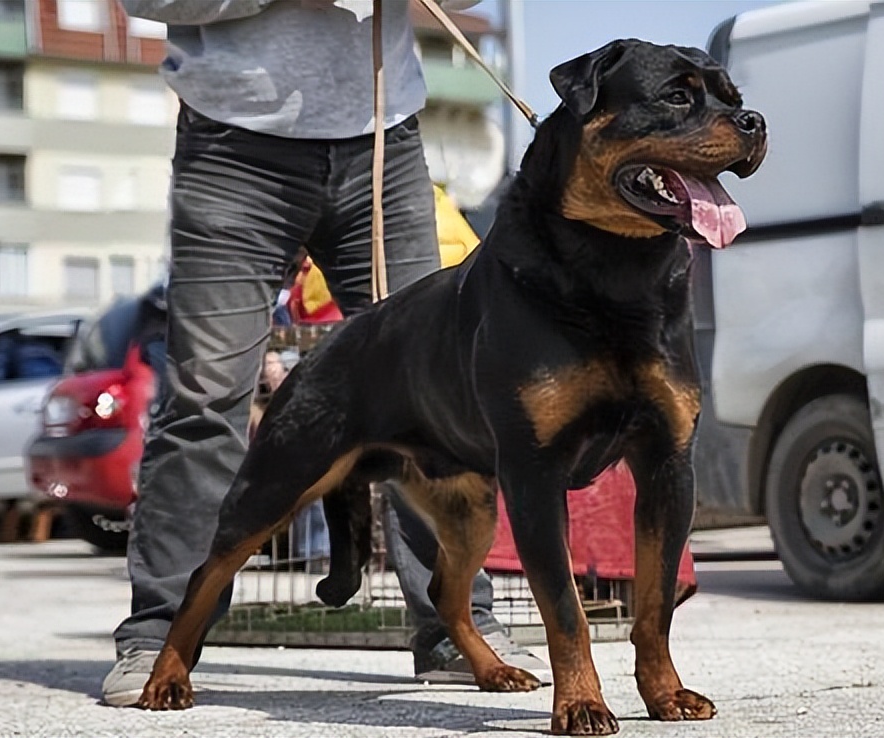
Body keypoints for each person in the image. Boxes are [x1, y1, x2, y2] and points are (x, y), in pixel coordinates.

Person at [103, 0, 549, 707]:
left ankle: (454, 632)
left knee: (436, 395)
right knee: (206, 396)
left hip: (384, 141)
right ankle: (161, 639)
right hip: (234, 148)